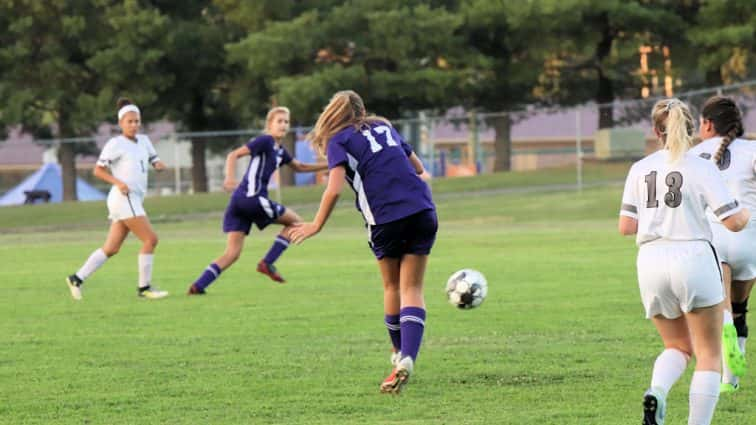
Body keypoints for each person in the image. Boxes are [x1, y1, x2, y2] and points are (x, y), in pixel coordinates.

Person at [289, 90, 437, 394]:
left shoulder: (338, 140)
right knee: (413, 288)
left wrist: (316, 224)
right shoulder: (385, 127)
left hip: (385, 218)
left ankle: (399, 355)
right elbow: (419, 168)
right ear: (363, 109)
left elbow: (332, 190)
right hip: (422, 209)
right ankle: (407, 356)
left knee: (393, 287)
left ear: (332, 114)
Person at [618, 98, 750, 425]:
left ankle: (657, 392)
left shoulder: (640, 167)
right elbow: (733, 222)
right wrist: (746, 212)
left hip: (650, 260)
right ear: (690, 129)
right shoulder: (701, 166)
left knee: (677, 346)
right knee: (708, 354)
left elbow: (626, 227)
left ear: (655, 130)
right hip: (693, 256)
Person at [187, 106, 327, 294]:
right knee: (296, 222)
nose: (284, 125)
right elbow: (233, 155)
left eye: (286, 122)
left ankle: (198, 286)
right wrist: (229, 177)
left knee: (232, 253)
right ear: (269, 125)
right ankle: (267, 263)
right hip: (252, 199)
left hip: (239, 201)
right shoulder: (265, 141)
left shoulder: (280, 151)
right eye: (279, 121)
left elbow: (299, 166)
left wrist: (329, 165)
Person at [65, 98, 169, 300]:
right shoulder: (115, 143)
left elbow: (153, 160)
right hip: (123, 197)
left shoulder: (145, 141)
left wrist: (158, 165)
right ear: (121, 123)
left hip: (134, 199)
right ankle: (144, 288)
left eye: (137, 121)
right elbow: (98, 170)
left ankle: (77, 278)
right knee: (151, 239)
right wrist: (118, 182)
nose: (134, 125)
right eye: (129, 121)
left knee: (111, 248)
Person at [689, 95, 754, 393]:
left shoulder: (695, 154)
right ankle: (735, 375)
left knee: (722, 308)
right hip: (749, 236)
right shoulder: (752, 150)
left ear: (707, 124)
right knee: (741, 306)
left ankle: (729, 377)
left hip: (714, 235)